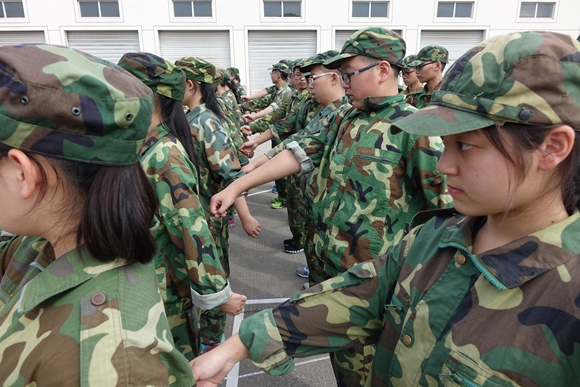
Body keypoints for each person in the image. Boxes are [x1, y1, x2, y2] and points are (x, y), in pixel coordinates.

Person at [191, 30, 580, 387]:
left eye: (466, 145)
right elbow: (359, 294)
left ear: (552, 147)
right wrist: (237, 346)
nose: (445, 165)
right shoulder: (433, 241)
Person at [209, 27, 451, 385]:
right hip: (329, 274)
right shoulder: (342, 117)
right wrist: (238, 185)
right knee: (344, 369)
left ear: (383, 70)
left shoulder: (416, 129)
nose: (343, 82)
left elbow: (449, 214)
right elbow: (296, 151)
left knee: (369, 373)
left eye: (349, 74)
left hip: (374, 287)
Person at [0, 44, 192, 385]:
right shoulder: (40, 243)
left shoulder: (108, 362)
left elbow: (190, 224)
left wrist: (212, 291)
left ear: (22, 174)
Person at [118, 52, 246, 362]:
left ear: (152, 97)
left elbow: (190, 228)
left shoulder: (165, 152)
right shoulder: (138, 142)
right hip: (144, 280)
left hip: (165, 287)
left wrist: (218, 295)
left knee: (175, 362)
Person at [176, 56, 260, 351]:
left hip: (208, 219)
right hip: (191, 216)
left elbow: (231, 178)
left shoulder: (207, 122)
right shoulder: (187, 118)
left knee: (213, 278)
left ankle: (212, 343)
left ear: (190, 84)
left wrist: (246, 217)